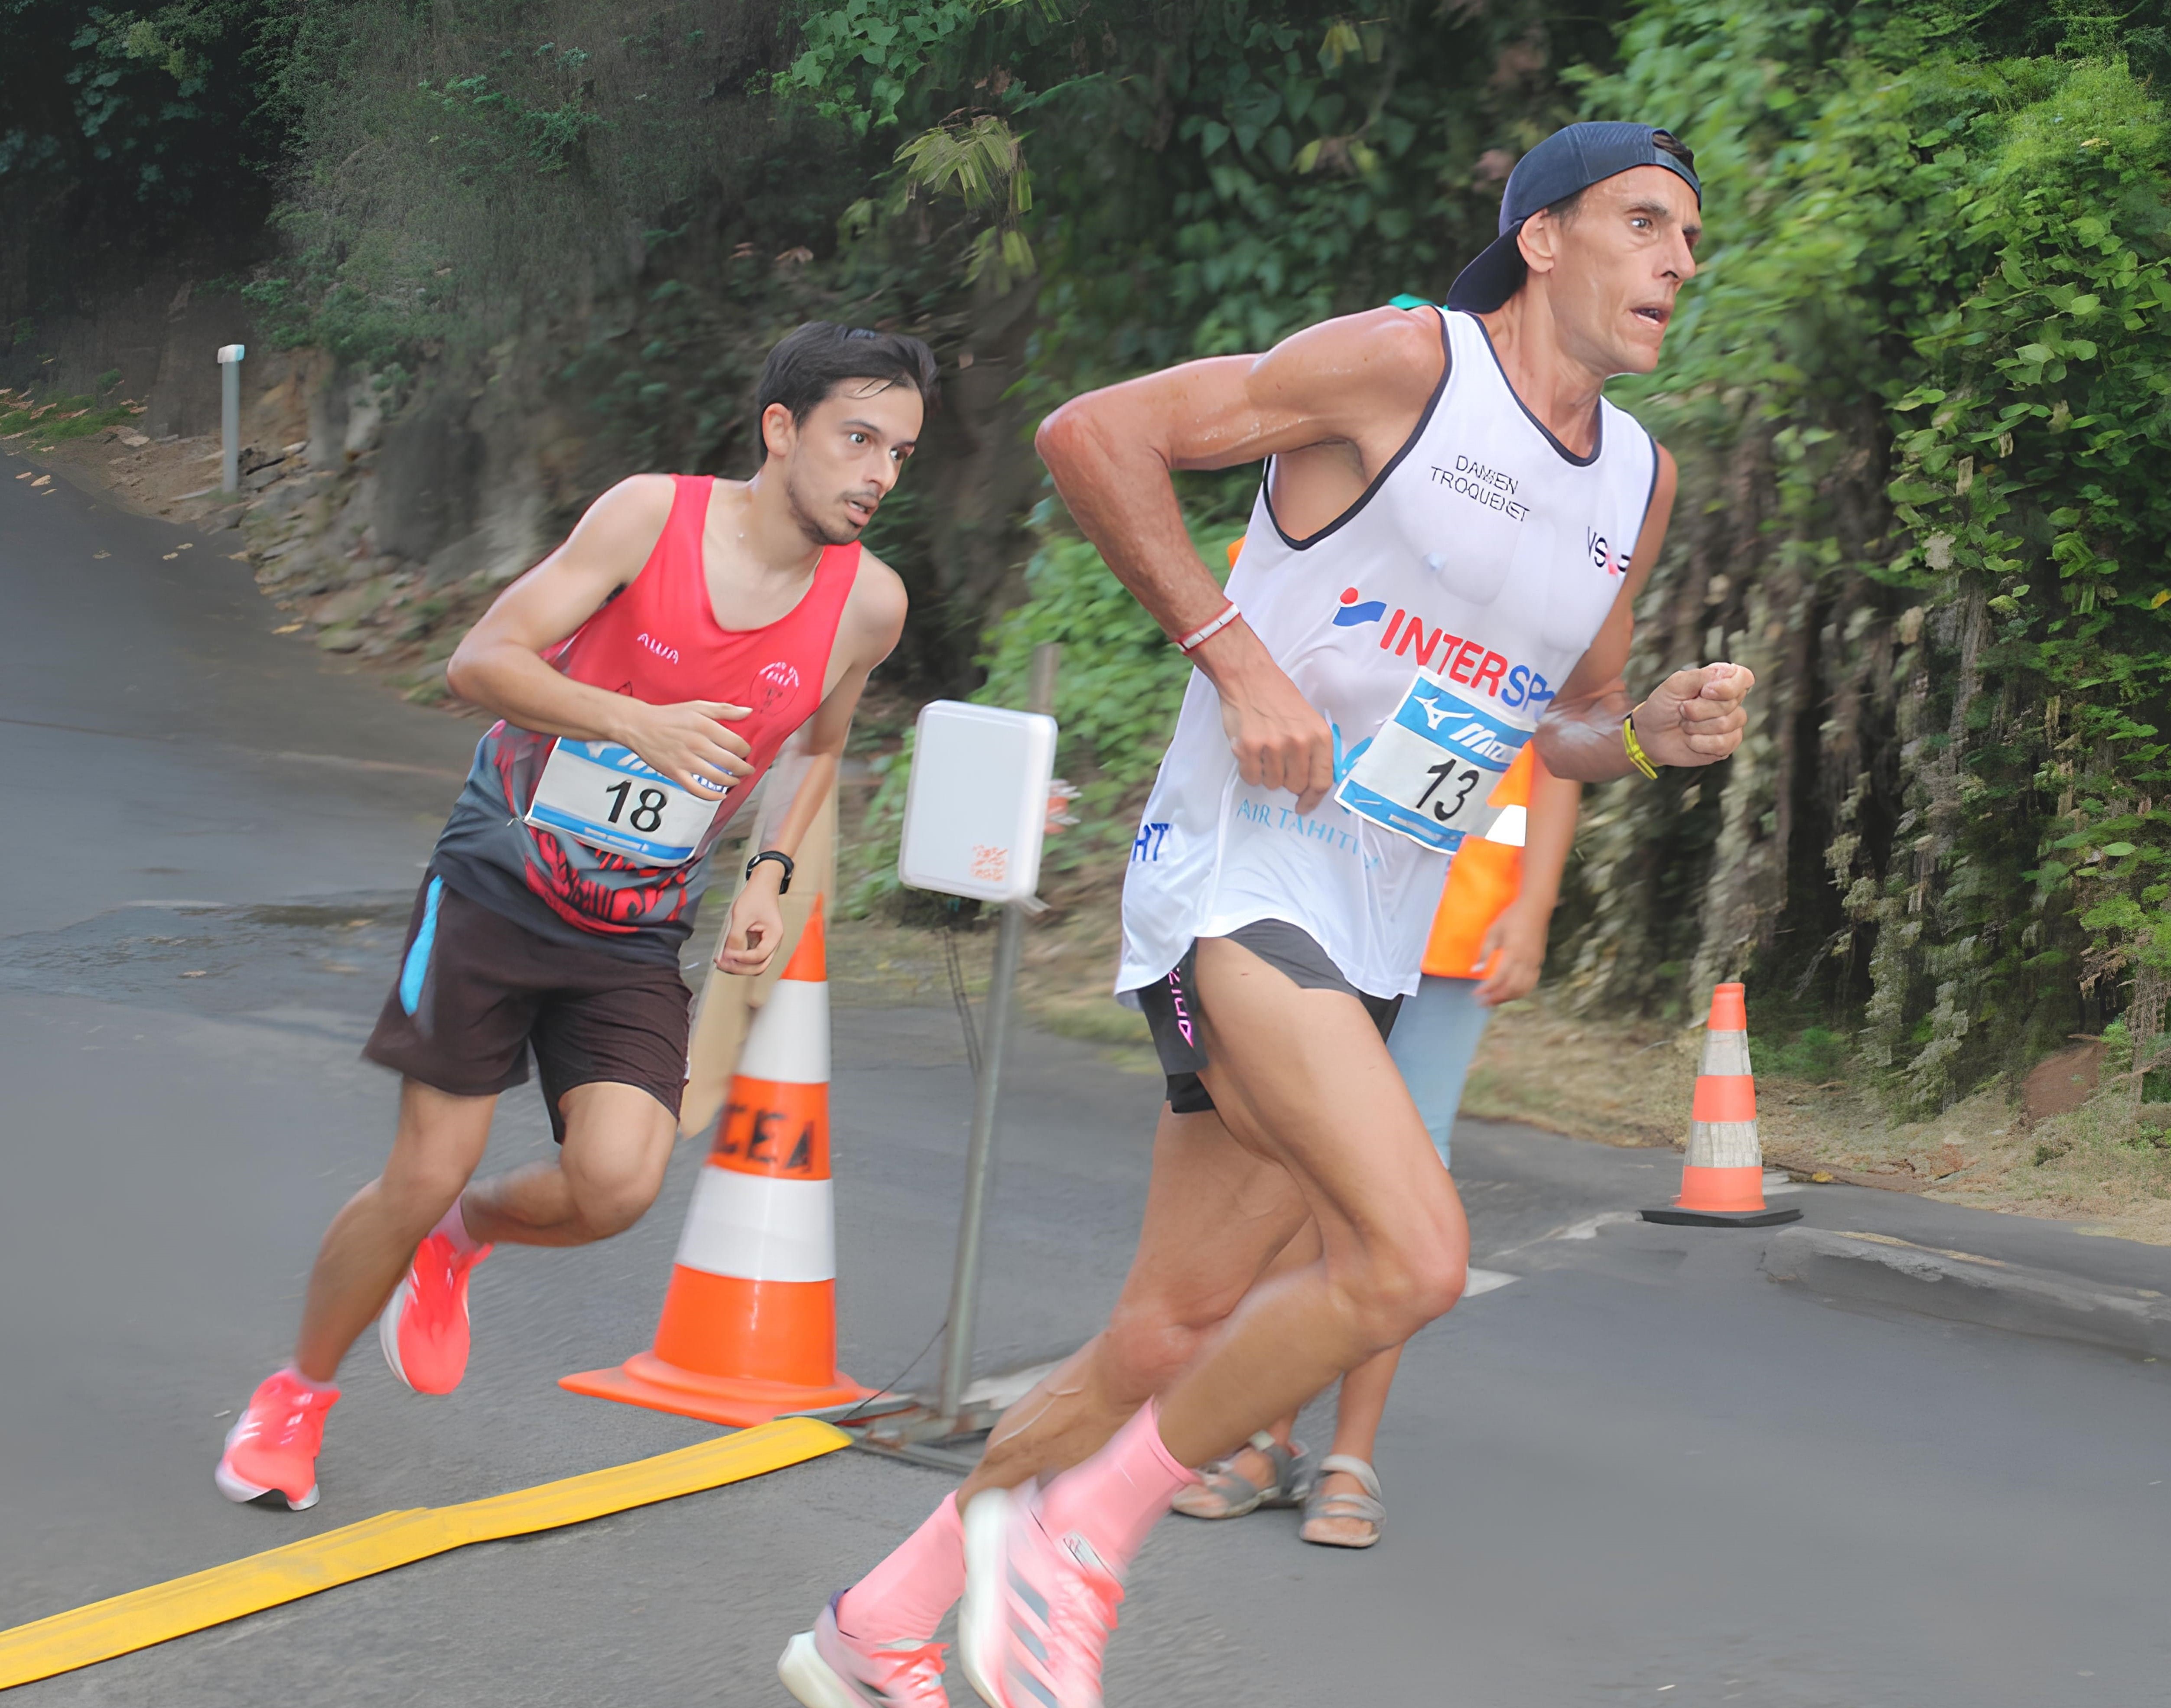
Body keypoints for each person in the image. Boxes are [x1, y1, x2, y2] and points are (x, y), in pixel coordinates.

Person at [780, 121, 1750, 1708]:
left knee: (1161, 1337)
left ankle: (875, 1623)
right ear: (1544, 240)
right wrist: (1238, 660)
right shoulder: (1398, 369)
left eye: (1691, 240)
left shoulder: (1631, 484)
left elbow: (1560, 722)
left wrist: (1651, 731)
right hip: (1235, 878)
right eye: (1644, 224)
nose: (1677, 261)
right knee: (1414, 1251)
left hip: (1373, 923)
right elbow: (1094, 435)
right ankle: (1078, 1544)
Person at [214, 322, 932, 1513]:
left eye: (900, 452)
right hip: (499, 874)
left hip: (635, 922)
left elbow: (816, 753)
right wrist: (629, 720)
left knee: (615, 1184)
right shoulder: (651, 516)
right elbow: (478, 661)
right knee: (420, 1162)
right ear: (780, 429)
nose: (878, 473)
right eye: (858, 438)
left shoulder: (870, 605)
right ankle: (296, 1392)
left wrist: (766, 882)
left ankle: (458, 1237)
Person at [1168, 742, 1581, 1547]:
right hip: (1327, 911)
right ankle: (1268, 1439)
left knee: (1396, 1193)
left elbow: (1568, 744)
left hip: (1451, 933)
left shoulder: (1542, 623)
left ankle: (1350, 1458)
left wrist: (1533, 906)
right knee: (1306, 1173)